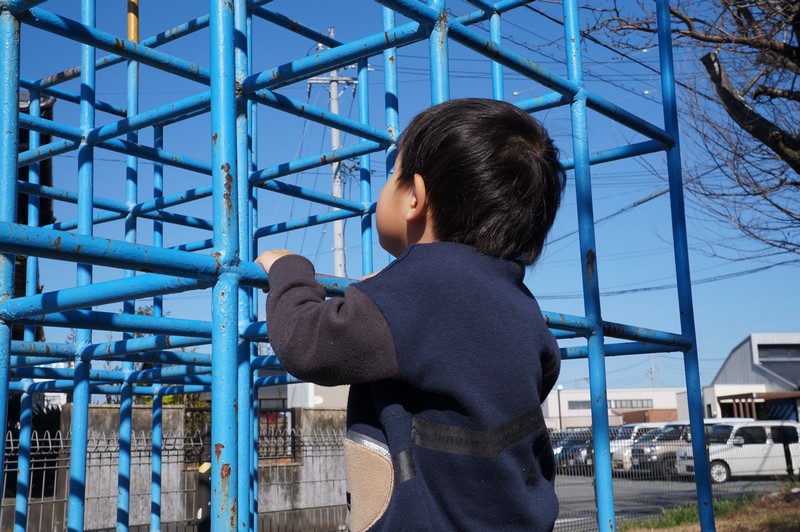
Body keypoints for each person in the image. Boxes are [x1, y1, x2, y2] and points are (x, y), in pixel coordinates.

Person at [256, 98, 565, 531]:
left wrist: (288, 271)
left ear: (415, 197)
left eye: (392, 174)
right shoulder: (518, 301)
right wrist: (386, 291)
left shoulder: (419, 288)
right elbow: (542, 368)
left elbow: (309, 344)